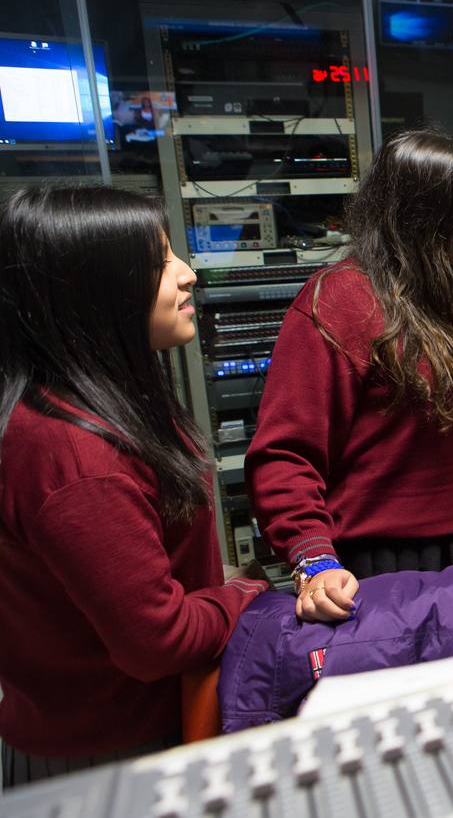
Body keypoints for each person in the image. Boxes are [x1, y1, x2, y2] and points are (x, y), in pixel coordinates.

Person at [0, 186, 269, 786]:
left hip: (136, 730)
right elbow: (158, 641)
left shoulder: (101, 402)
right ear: (93, 291)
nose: (189, 275)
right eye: (160, 263)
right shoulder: (76, 457)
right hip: (108, 755)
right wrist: (246, 595)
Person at [246, 129, 453, 619]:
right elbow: (285, 454)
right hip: (390, 564)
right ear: (426, 216)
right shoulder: (339, 302)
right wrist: (314, 557)